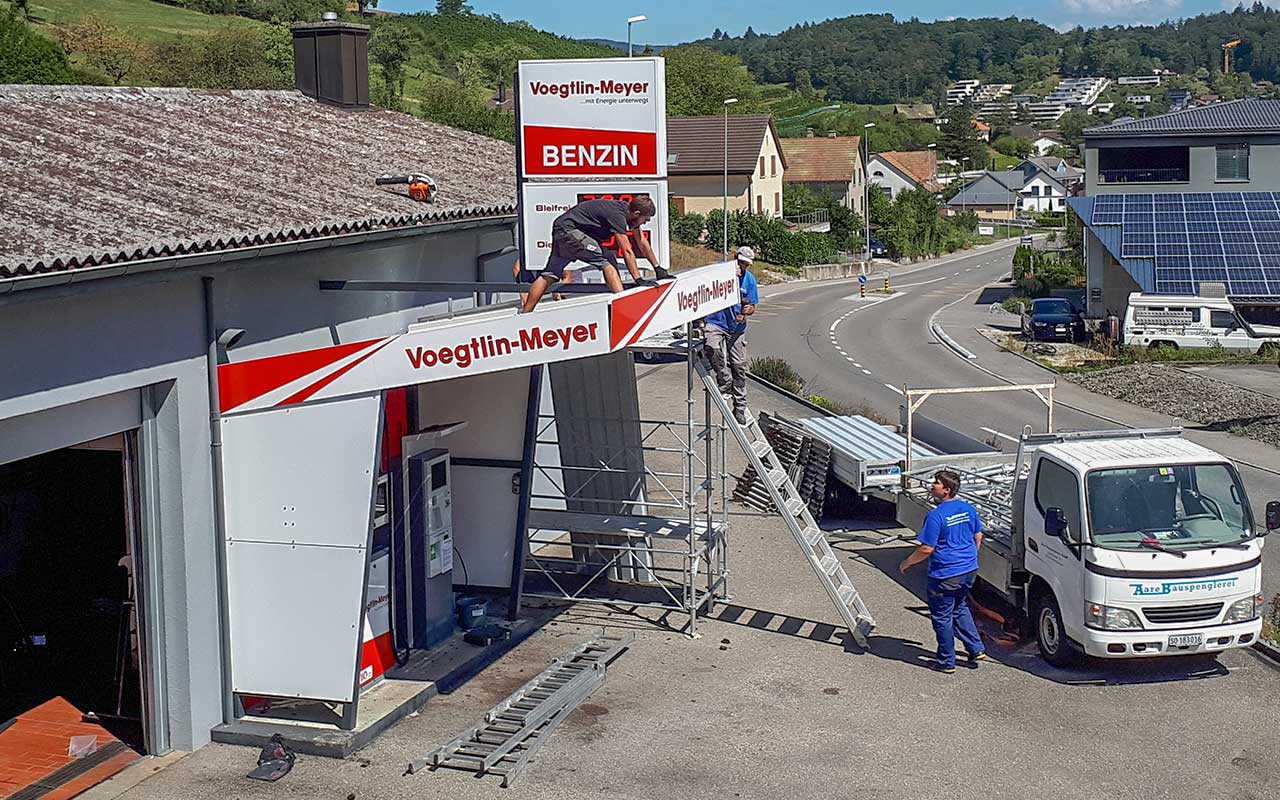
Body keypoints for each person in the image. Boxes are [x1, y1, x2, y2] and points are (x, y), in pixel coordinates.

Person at [899, 469, 987, 673]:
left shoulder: (936, 516)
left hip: (945, 574)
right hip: (968, 570)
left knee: (942, 616)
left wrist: (907, 563)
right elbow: (979, 536)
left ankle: (946, 661)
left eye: (936, 483)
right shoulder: (968, 509)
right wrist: (971, 557)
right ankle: (975, 648)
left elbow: (926, 549)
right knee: (960, 607)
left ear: (946, 490)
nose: (932, 485)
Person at [519, 196, 668, 313]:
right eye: (645, 219)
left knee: (549, 275)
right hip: (570, 232)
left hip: (562, 230)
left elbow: (641, 241)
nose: (646, 222)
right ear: (637, 213)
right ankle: (624, 309)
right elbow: (628, 250)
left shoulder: (628, 212)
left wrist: (657, 268)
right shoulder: (617, 215)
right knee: (607, 262)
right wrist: (639, 279)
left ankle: (526, 314)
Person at [703, 246, 759, 425]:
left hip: (736, 327)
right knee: (711, 347)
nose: (742, 266)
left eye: (746, 264)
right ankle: (723, 378)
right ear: (735, 258)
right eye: (740, 262)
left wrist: (748, 309)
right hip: (716, 321)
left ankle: (740, 406)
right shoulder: (721, 270)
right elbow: (705, 273)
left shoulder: (749, 280)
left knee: (739, 367)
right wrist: (727, 270)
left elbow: (752, 306)